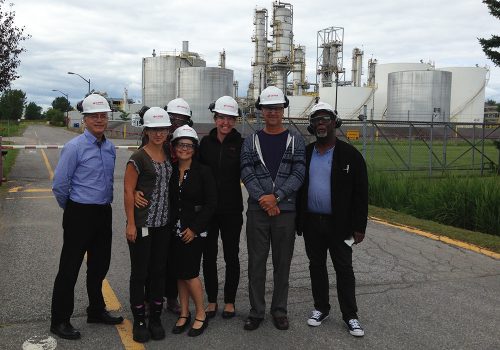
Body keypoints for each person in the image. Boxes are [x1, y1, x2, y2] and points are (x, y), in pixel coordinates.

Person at [50, 94, 123, 340]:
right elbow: (60, 185)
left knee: (99, 265)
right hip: (79, 212)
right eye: (95, 116)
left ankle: (96, 310)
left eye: (103, 116)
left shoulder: (110, 147)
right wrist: (71, 209)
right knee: (69, 268)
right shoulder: (74, 148)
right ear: (85, 119)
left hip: (103, 212)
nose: (100, 120)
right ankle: (59, 320)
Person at [296, 102, 368, 337]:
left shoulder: (351, 156)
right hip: (312, 224)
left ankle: (351, 315)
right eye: (316, 120)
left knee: (344, 268)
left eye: (325, 119)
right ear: (312, 126)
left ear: (335, 122)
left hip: (343, 226)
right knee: (316, 266)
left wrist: (359, 227)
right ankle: (321, 308)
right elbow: (298, 189)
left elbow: (361, 194)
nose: (320, 123)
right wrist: (299, 221)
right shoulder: (306, 154)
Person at [240, 86, 305, 331]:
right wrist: (264, 200)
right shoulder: (251, 140)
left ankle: (279, 310)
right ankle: (256, 311)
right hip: (258, 210)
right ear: (261, 111)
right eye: (268, 108)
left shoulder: (295, 140)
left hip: (285, 211)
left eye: (277, 108)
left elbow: (299, 173)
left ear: (283, 109)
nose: (273, 112)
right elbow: (247, 172)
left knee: (282, 263)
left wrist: (276, 197)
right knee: (256, 263)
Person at [135, 98, 194, 316]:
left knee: (170, 258)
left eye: (182, 119)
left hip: (175, 209)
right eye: (174, 119)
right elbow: (138, 170)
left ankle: (170, 298)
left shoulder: (185, 144)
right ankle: (149, 298)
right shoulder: (154, 143)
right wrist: (134, 191)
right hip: (155, 210)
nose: (177, 123)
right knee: (152, 259)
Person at [124, 107, 173, 343]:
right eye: (153, 129)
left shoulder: (169, 154)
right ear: (146, 131)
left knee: (158, 272)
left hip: (163, 224)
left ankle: (155, 317)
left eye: (162, 129)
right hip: (142, 224)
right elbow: (127, 190)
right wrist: (130, 224)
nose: (158, 134)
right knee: (140, 273)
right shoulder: (138, 158)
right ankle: (140, 319)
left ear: (167, 130)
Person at [169, 125, 217, 337]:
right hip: (174, 230)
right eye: (181, 144)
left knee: (190, 273)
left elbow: (211, 203)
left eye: (188, 145)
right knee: (180, 273)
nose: (184, 149)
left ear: (194, 149)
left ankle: (200, 313)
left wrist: (195, 229)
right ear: (175, 147)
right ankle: (184, 313)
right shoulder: (171, 170)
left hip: (194, 231)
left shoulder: (203, 171)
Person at [200, 96, 243, 319]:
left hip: (231, 210)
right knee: (208, 256)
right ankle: (212, 300)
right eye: (221, 117)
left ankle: (229, 301)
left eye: (230, 118)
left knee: (231, 256)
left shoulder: (241, 144)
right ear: (215, 118)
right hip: (208, 211)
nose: (225, 122)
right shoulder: (205, 143)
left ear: (235, 120)